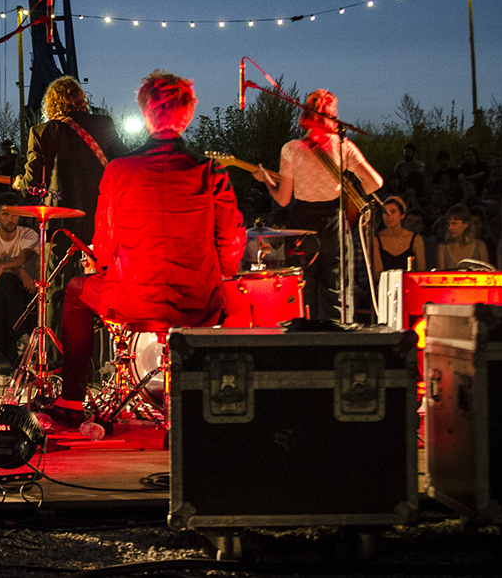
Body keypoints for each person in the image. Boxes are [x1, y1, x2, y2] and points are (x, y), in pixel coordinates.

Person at [39, 71, 245, 427]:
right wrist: (217, 276)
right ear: (189, 114)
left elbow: (102, 247)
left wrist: (110, 268)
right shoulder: (211, 171)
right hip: (197, 300)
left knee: (75, 291)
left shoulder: (119, 170)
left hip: (133, 299)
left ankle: (72, 401)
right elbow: (232, 244)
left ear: (145, 113)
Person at [252, 89, 382, 321]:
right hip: (335, 224)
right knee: (337, 294)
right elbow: (375, 182)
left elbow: (282, 199)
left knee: (303, 293)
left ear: (306, 113)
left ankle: (303, 347)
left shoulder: (292, 149)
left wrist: (267, 181)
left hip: (301, 225)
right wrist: (350, 194)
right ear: (332, 114)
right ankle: (338, 346)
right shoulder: (343, 146)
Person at [14, 76, 126, 334]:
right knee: (105, 281)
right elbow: (123, 162)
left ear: (51, 104)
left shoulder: (42, 132)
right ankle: (112, 353)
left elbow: (33, 186)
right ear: (81, 99)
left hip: (61, 222)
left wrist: (18, 183)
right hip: (101, 219)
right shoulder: (104, 124)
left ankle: (57, 358)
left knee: (57, 287)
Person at [0, 191, 39, 360]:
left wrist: (3, 267)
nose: (10, 219)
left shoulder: (29, 234)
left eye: (14, 215)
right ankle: (20, 336)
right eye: (5, 215)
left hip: (22, 290)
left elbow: (22, 258)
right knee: (5, 282)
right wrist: (19, 271)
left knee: (6, 286)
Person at [372, 195, 426, 280]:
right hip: (385, 287)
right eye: (385, 212)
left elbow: (421, 272)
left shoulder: (416, 239)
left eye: (393, 212)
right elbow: (378, 274)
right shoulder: (377, 239)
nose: (389, 216)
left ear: (402, 215)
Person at [435, 204, 489, 270]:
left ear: (466, 224)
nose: (450, 228)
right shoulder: (442, 247)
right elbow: (441, 276)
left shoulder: (480, 246)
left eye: (454, 223)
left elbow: (485, 274)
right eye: (448, 224)